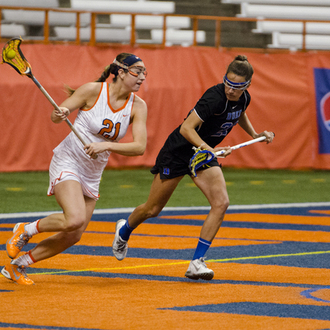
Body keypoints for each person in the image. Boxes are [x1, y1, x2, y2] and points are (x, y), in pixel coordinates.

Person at [112, 55, 274, 280]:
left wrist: (255, 135)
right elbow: (186, 129)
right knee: (152, 209)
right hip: (179, 151)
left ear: (247, 85)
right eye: (228, 83)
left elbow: (239, 114)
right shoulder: (214, 98)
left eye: (237, 86)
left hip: (202, 154)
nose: (230, 90)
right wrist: (210, 148)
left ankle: (197, 262)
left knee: (221, 203)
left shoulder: (243, 98)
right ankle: (124, 230)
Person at [1, 53, 148, 285]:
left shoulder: (138, 106)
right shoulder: (92, 91)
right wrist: (60, 113)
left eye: (144, 73)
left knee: (74, 234)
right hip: (69, 160)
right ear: (120, 72)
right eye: (137, 72)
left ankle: (17, 266)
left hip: (93, 172)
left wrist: (105, 146)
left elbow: (139, 147)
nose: (142, 77)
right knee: (74, 219)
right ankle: (26, 229)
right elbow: (55, 116)